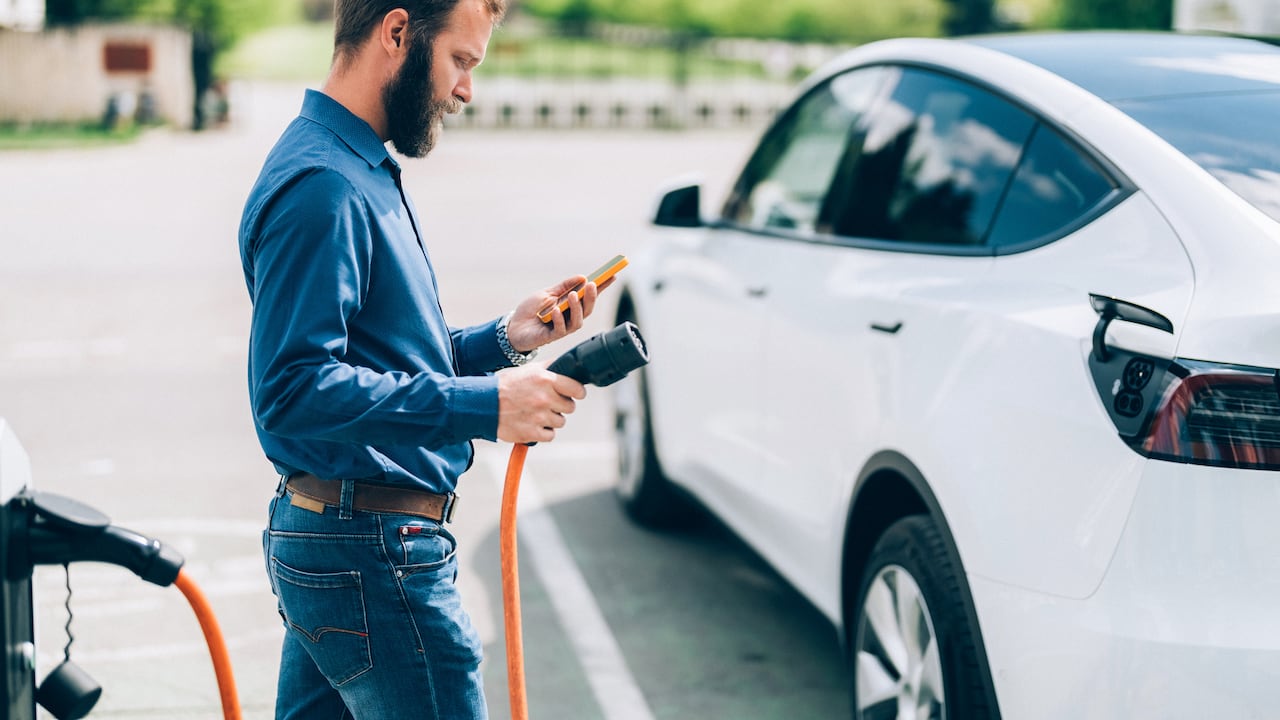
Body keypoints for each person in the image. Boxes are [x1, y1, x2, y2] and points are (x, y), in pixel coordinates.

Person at [237, 1, 600, 717]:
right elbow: (293, 386)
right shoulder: (326, 185)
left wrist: (504, 339)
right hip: (370, 552)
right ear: (397, 33)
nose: (466, 88)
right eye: (461, 61)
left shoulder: (353, 164)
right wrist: (489, 405)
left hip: (347, 542)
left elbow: (379, 361)